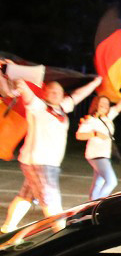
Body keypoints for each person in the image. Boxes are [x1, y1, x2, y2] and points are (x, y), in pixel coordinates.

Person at [2, 75, 102, 233]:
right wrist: (14, 74)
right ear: (44, 93)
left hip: (47, 163)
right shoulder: (38, 106)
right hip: (39, 162)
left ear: (63, 95)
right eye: (51, 90)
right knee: (51, 201)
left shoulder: (62, 108)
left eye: (58, 91)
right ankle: (62, 235)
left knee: (26, 196)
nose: (55, 93)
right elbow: (24, 89)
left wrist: (96, 82)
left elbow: (78, 95)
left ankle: (7, 227)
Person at [76, 81, 121, 200]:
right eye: (101, 104)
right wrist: (95, 133)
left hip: (104, 154)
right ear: (96, 105)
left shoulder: (108, 117)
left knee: (98, 183)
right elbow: (79, 136)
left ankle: (91, 206)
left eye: (107, 104)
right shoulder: (90, 120)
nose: (104, 106)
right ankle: (97, 205)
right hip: (96, 155)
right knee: (111, 181)